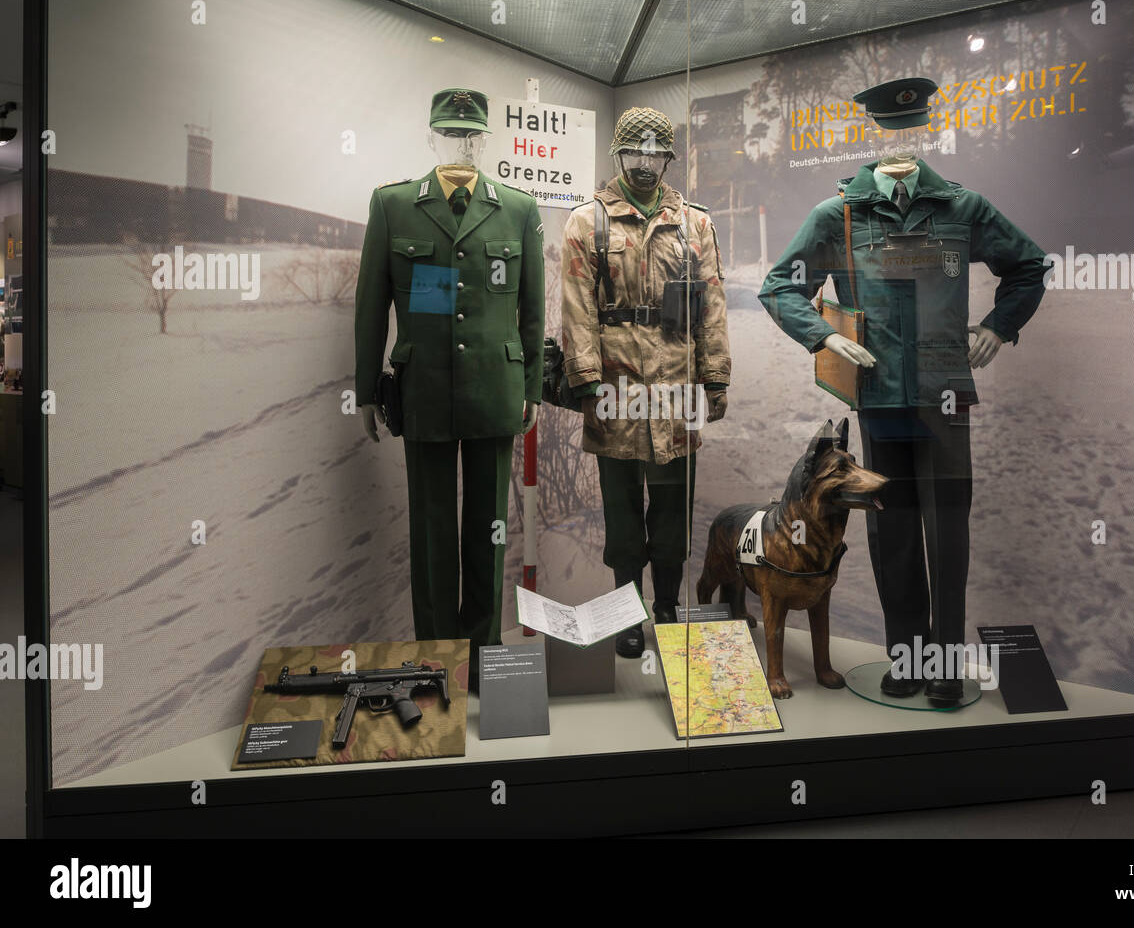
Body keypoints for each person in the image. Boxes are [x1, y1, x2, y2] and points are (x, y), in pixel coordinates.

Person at [758, 78, 1048, 706]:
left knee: (948, 532)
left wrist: (1000, 327)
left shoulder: (961, 208)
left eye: (913, 130)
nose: (902, 144)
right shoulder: (838, 215)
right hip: (880, 397)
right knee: (892, 533)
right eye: (893, 132)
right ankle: (907, 659)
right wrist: (822, 338)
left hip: (945, 395)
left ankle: (942, 665)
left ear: (925, 134)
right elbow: (780, 285)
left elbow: (1028, 265)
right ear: (874, 138)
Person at [354, 88, 544, 690]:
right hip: (426, 389)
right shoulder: (393, 206)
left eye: (471, 136)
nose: (461, 145)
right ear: (430, 138)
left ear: (486, 141)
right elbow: (370, 306)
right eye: (450, 134)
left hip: (495, 390)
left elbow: (533, 311)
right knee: (433, 529)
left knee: (489, 529)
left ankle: (485, 658)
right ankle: (436, 661)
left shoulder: (518, 208)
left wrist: (533, 386)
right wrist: (365, 389)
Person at [560, 107, 731, 658]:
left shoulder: (694, 222)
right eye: (636, 152)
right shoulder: (588, 222)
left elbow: (712, 304)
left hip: (676, 383)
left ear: (667, 158)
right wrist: (585, 378)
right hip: (616, 383)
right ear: (619, 154)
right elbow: (577, 306)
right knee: (622, 507)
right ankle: (627, 610)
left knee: (673, 506)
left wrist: (716, 376)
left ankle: (665, 606)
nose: (645, 164)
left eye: (656, 154)